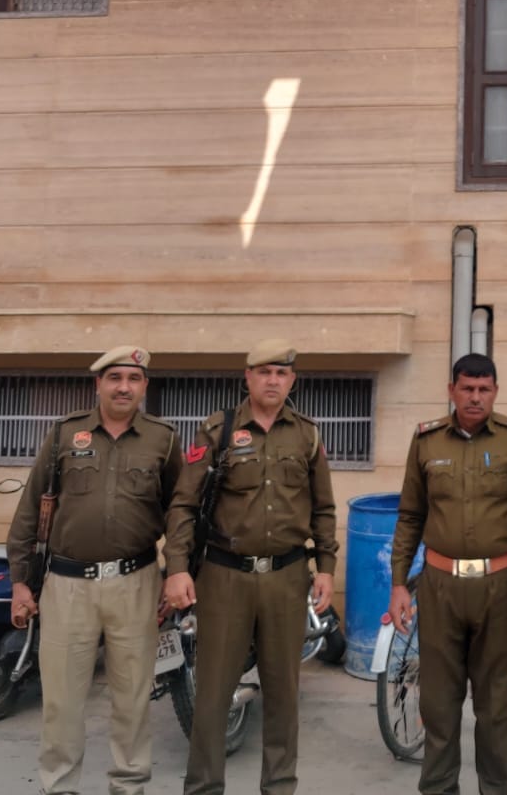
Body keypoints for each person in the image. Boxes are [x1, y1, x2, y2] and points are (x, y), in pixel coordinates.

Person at [163, 339, 338, 795]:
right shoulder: (216, 431)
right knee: (213, 695)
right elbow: (184, 504)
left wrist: (325, 566)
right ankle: (203, 787)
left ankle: (279, 786)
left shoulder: (307, 435)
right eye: (264, 372)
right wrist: (177, 567)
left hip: (286, 577)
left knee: (283, 694)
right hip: (225, 578)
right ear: (248, 377)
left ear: (292, 380)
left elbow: (323, 508)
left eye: (281, 373)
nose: (273, 381)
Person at [6, 345, 181, 795]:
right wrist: (22, 581)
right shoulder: (65, 435)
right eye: (115, 377)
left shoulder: (162, 439)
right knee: (62, 702)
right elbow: (30, 511)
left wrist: (178, 570)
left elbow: (181, 513)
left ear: (145, 386)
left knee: (132, 699)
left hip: (136, 583)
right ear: (98, 384)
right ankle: (59, 786)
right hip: (66, 586)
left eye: (134, 378)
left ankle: (129, 785)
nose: (124, 386)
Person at [387, 352, 507, 795]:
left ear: (495, 391)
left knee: (495, 706)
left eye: (484, 389)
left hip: (501, 586)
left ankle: (495, 789)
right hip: (440, 587)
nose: (475, 397)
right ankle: (439, 788)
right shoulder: (426, 441)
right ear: (451, 390)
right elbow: (410, 517)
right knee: (438, 702)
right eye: (467, 389)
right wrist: (399, 583)